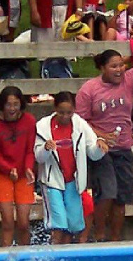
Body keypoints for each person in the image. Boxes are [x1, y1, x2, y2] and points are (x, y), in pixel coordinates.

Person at [34, 91, 109, 245]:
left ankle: (66, 253)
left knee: (72, 225)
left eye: (69, 113)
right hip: (52, 181)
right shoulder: (42, 127)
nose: (65, 116)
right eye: (61, 112)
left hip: (73, 182)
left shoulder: (80, 125)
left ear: (74, 110)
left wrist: (100, 147)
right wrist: (46, 148)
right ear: (55, 108)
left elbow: (93, 153)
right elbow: (38, 157)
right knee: (58, 223)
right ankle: (54, 253)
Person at [74, 50, 133, 242]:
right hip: (100, 150)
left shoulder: (128, 81)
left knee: (121, 199)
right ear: (102, 68)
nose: (119, 70)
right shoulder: (89, 90)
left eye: (121, 65)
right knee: (107, 192)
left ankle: (115, 239)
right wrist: (101, 135)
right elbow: (80, 122)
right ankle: (99, 234)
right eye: (113, 66)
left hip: (123, 148)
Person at [0, 86, 38, 247]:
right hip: (2, 174)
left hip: (24, 175)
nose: (12, 108)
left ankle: (25, 255)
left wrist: (28, 168)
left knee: (23, 223)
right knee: (8, 222)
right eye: (9, 104)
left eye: (16, 104)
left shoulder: (29, 121)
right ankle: (6, 255)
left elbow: (30, 150)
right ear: (2, 105)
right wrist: (9, 169)